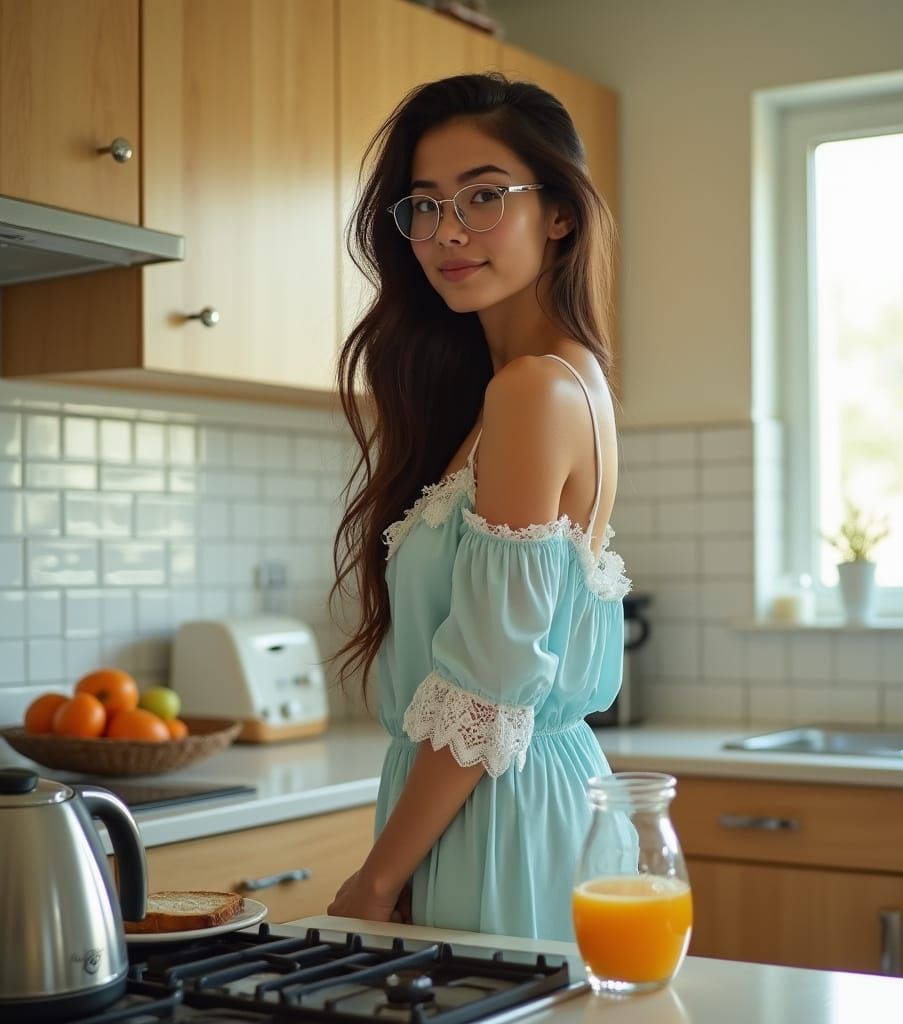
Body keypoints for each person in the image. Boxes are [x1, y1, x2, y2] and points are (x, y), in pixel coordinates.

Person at [327, 72, 630, 942]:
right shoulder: (546, 382)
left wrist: (377, 880)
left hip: (499, 814)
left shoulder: (536, 390)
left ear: (560, 213)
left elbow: (489, 688)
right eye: (423, 207)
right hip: (496, 801)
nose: (447, 232)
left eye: (484, 196)